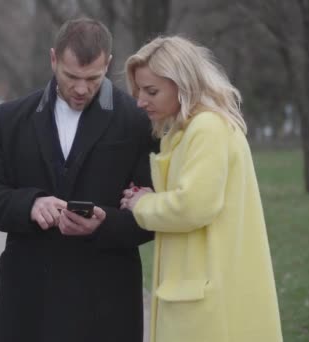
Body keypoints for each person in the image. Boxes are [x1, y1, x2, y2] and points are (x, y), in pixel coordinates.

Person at [0, 18, 158, 342]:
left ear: (108, 65)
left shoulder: (139, 121)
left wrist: (105, 223)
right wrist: (30, 204)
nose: (81, 88)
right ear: (53, 59)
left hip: (107, 303)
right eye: (71, 76)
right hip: (28, 302)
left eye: (93, 78)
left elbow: (157, 209)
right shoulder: (10, 118)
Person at [121, 36, 283, 342]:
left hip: (208, 303)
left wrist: (142, 204)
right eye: (138, 90)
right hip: (199, 294)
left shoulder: (207, 128)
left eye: (151, 91)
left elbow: (194, 205)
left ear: (182, 83)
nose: (141, 100)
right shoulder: (187, 131)